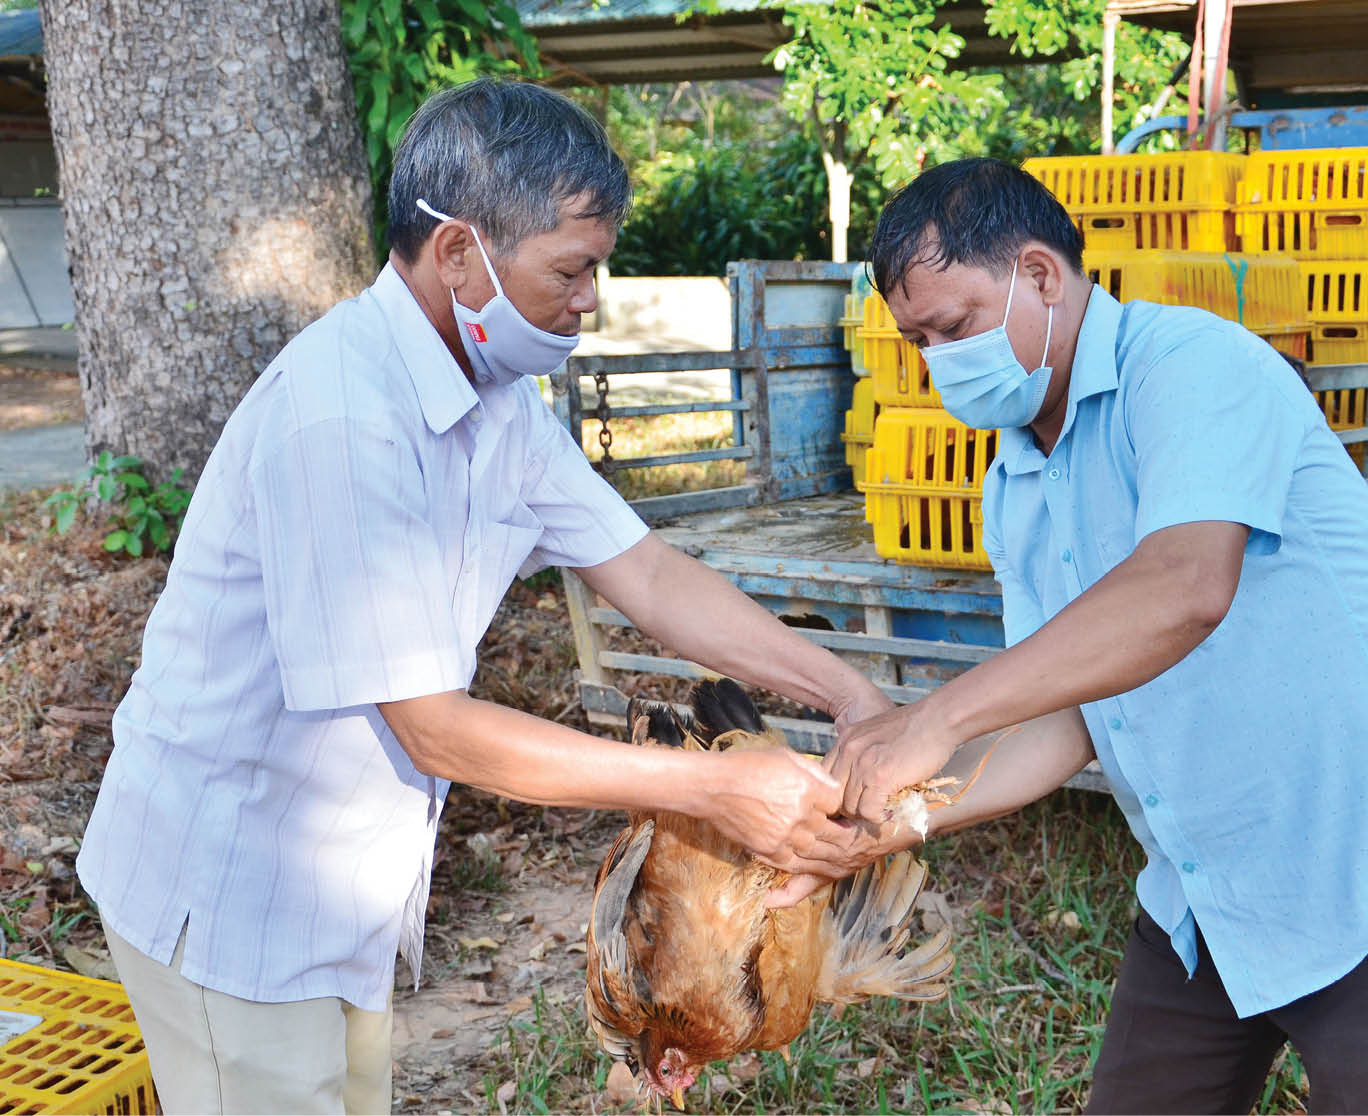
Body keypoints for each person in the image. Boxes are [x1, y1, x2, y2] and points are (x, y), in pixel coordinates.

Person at [75, 78, 888, 1115]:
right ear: (459, 253)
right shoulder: (343, 419)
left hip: (342, 890)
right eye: (573, 268)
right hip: (233, 892)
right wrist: (714, 791)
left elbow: (645, 573)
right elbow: (434, 729)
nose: (591, 299)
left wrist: (842, 689)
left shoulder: (501, 404)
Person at [808, 158, 1368, 1114]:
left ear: (1041, 275)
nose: (938, 360)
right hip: (1202, 898)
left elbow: (1183, 587)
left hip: (1364, 868)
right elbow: (1066, 718)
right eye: (918, 340)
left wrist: (937, 718)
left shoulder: (1190, 368)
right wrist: (897, 819)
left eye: (954, 326)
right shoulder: (1013, 484)